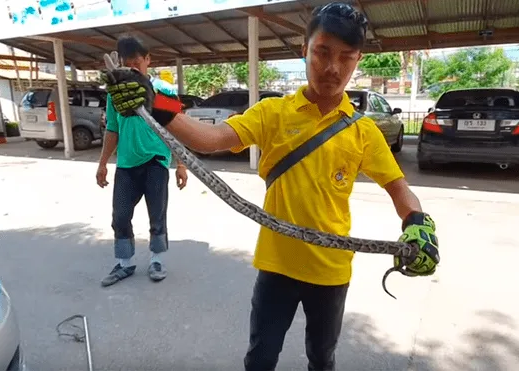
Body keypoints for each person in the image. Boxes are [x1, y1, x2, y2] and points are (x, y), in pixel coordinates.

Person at [100, 3, 440, 370]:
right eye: (323, 52)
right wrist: (158, 104)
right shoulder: (272, 114)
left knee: (322, 357)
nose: (332, 68)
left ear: (358, 60)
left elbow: (398, 187)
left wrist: (418, 222)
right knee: (260, 357)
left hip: (331, 271)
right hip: (276, 266)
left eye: (347, 57)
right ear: (304, 49)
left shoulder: (363, 132)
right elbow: (211, 138)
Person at [96, 35, 189, 287]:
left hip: (156, 161)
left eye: (138, 62)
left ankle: (157, 260)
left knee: (157, 214)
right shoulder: (115, 94)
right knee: (120, 215)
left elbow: (178, 129)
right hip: (126, 163)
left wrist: (181, 164)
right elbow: (112, 130)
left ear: (148, 60)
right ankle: (125, 264)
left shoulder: (164, 91)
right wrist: (103, 162)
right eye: (128, 64)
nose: (133, 68)